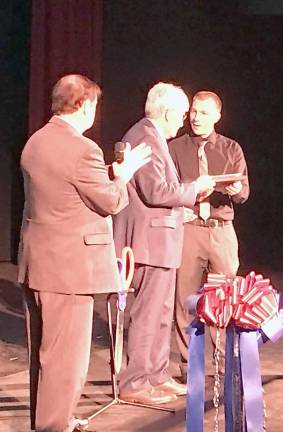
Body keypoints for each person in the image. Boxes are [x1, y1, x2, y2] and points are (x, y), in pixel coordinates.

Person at [18, 74, 151, 432]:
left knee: (44, 356)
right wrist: (122, 176)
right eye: (94, 104)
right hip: (69, 269)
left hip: (38, 263)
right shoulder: (82, 149)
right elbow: (109, 201)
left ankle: (51, 420)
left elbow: (68, 191)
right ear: (84, 105)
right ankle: (54, 426)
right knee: (65, 359)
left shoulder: (36, 141)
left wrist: (108, 174)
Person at [112, 83, 215, 405]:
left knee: (161, 313)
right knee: (147, 313)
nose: (183, 120)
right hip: (148, 240)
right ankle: (135, 382)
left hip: (161, 239)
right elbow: (156, 190)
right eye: (183, 114)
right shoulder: (143, 136)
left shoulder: (152, 137)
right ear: (169, 112)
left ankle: (156, 374)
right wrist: (193, 190)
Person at [169, 90, 250, 378]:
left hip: (220, 230)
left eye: (203, 113)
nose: (196, 117)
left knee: (223, 298)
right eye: (193, 111)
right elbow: (167, 189)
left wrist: (237, 191)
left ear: (217, 116)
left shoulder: (230, 149)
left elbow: (243, 193)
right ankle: (189, 365)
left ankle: (225, 362)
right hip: (190, 230)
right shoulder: (175, 148)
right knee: (184, 299)